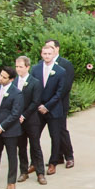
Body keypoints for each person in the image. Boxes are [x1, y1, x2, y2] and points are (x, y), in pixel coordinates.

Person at [30, 38, 74, 176]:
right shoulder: (36, 68)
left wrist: (48, 106)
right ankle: (35, 162)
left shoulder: (63, 67)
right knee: (34, 134)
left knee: (59, 133)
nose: (48, 54)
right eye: (45, 52)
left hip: (57, 105)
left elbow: (63, 89)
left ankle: (62, 158)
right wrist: (38, 105)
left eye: (50, 50)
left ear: (56, 50)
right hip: (39, 107)